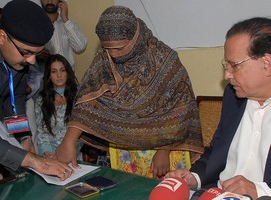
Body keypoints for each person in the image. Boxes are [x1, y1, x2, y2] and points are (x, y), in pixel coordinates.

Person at [55, 6, 204, 178]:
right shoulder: (105, 58)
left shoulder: (165, 60)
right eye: (108, 48)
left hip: (165, 151)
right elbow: (88, 100)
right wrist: (69, 140)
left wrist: (164, 150)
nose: (114, 55)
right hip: (125, 151)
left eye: (119, 48)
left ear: (135, 38)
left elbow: (181, 108)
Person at [165, 17, 271, 200]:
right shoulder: (233, 97)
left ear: (266, 64)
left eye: (234, 66)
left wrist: (261, 192)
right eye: (226, 65)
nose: (226, 75)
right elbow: (217, 150)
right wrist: (195, 177)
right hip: (216, 199)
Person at [0, 0, 73, 181]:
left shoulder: (16, 58)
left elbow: (14, 95)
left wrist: (23, 136)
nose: (32, 62)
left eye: (36, 54)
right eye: (26, 52)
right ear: (2, 37)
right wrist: (32, 160)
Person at [35, 54, 82, 159]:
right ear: (48, 75)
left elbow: (83, 133)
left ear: (68, 72)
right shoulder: (42, 99)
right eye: (54, 71)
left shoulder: (79, 96)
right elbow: (41, 133)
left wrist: (65, 153)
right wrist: (48, 154)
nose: (59, 75)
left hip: (74, 153)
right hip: (50, 156)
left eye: (62, 70)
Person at [40, 0, 87, 70]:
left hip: (68, 76)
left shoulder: (68, 23)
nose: (49, 1)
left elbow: (80, 47)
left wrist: (65, 19)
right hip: (44, 77)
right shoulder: (35, 24)